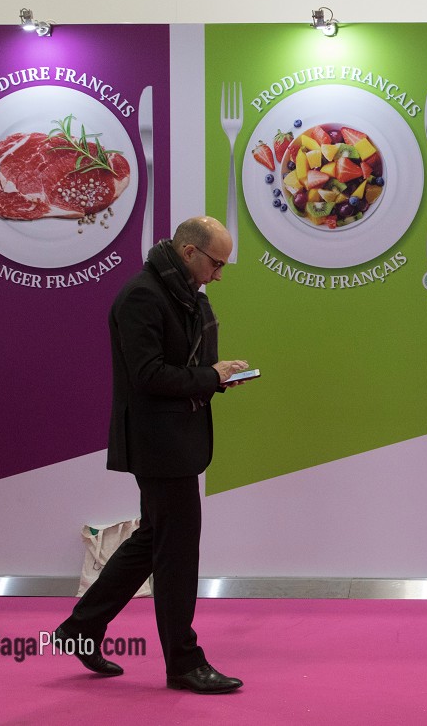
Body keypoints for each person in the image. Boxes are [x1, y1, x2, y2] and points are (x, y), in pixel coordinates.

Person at [53, 216, 250, 694]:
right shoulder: (141, 296)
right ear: (188, 252)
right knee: (177, 552)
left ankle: (80, 629)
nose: (219, 275)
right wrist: (210, 376)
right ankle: (183, 662)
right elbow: (148, 375)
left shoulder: (186, 296)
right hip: (159, 443)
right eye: (216, 263)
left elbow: (180, 366)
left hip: (176, 438)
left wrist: (216, 375)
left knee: (154, 539)